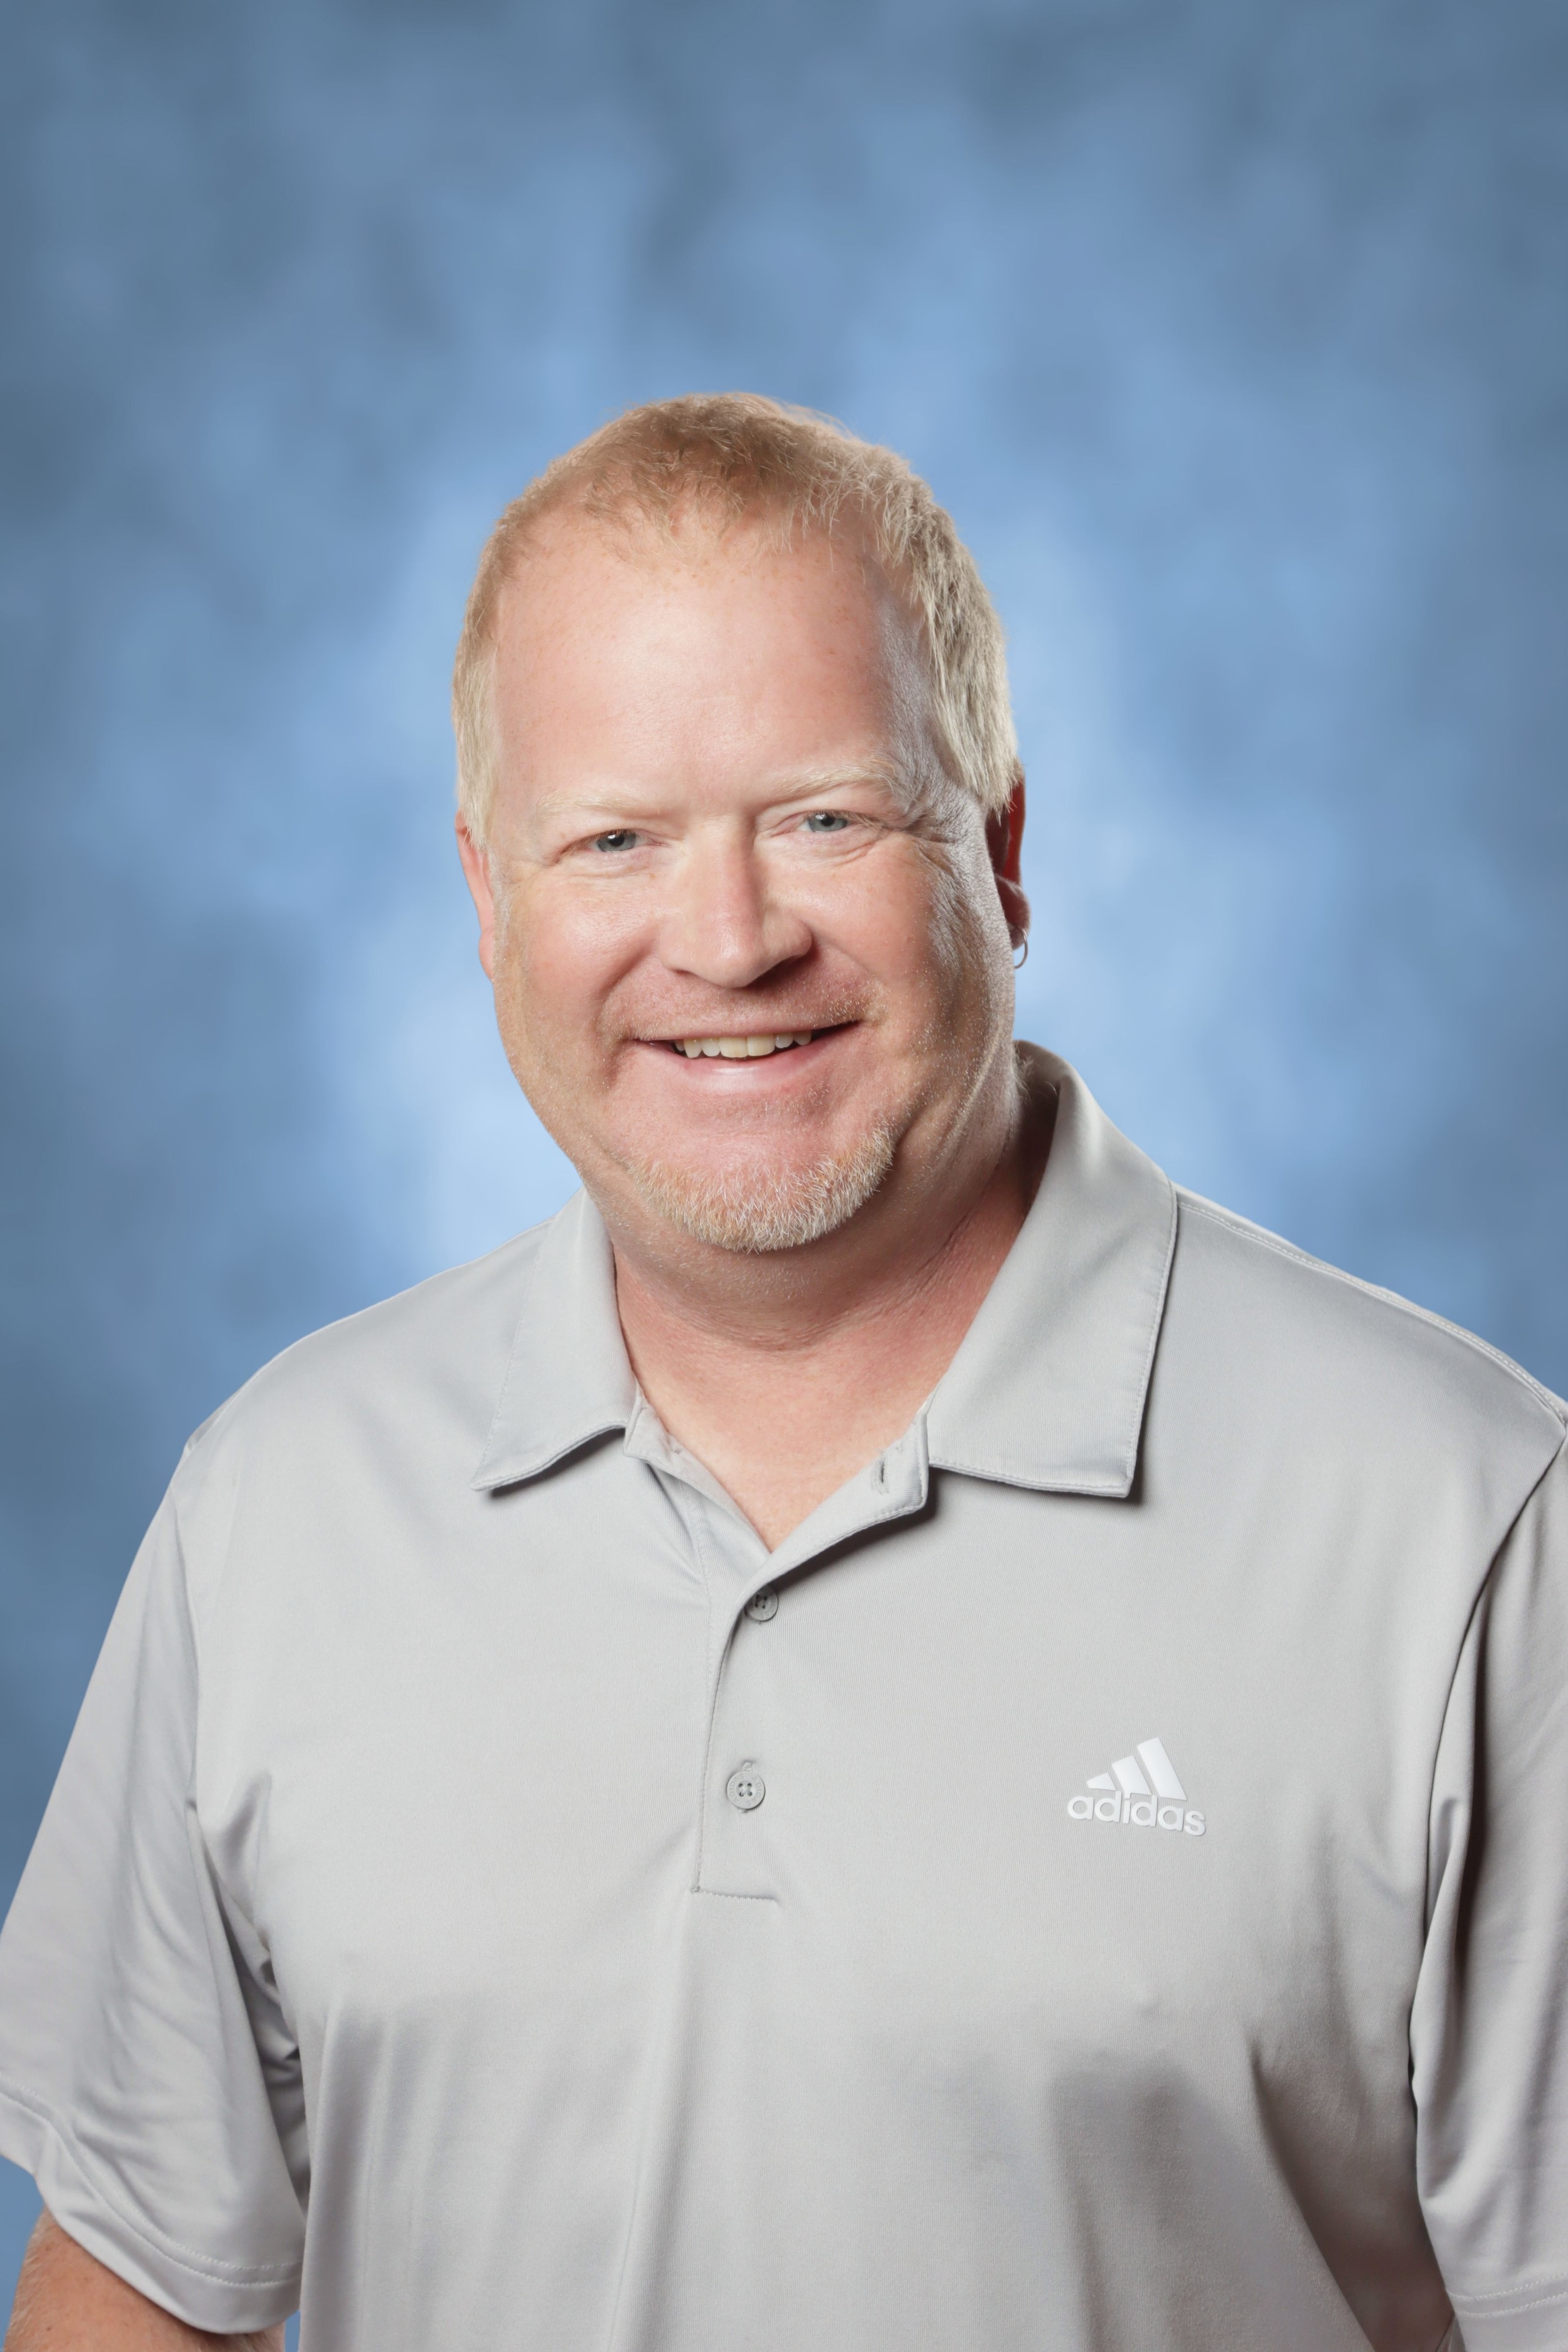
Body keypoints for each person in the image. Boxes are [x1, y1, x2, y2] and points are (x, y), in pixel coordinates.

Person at [1, 393, 1564, 2352]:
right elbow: (143, 2286)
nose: (728, 941)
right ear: (489, 899)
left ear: (999, 852)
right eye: (614, 842)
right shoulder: (280, 1510)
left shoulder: (1457, 1527)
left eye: (824, 818)